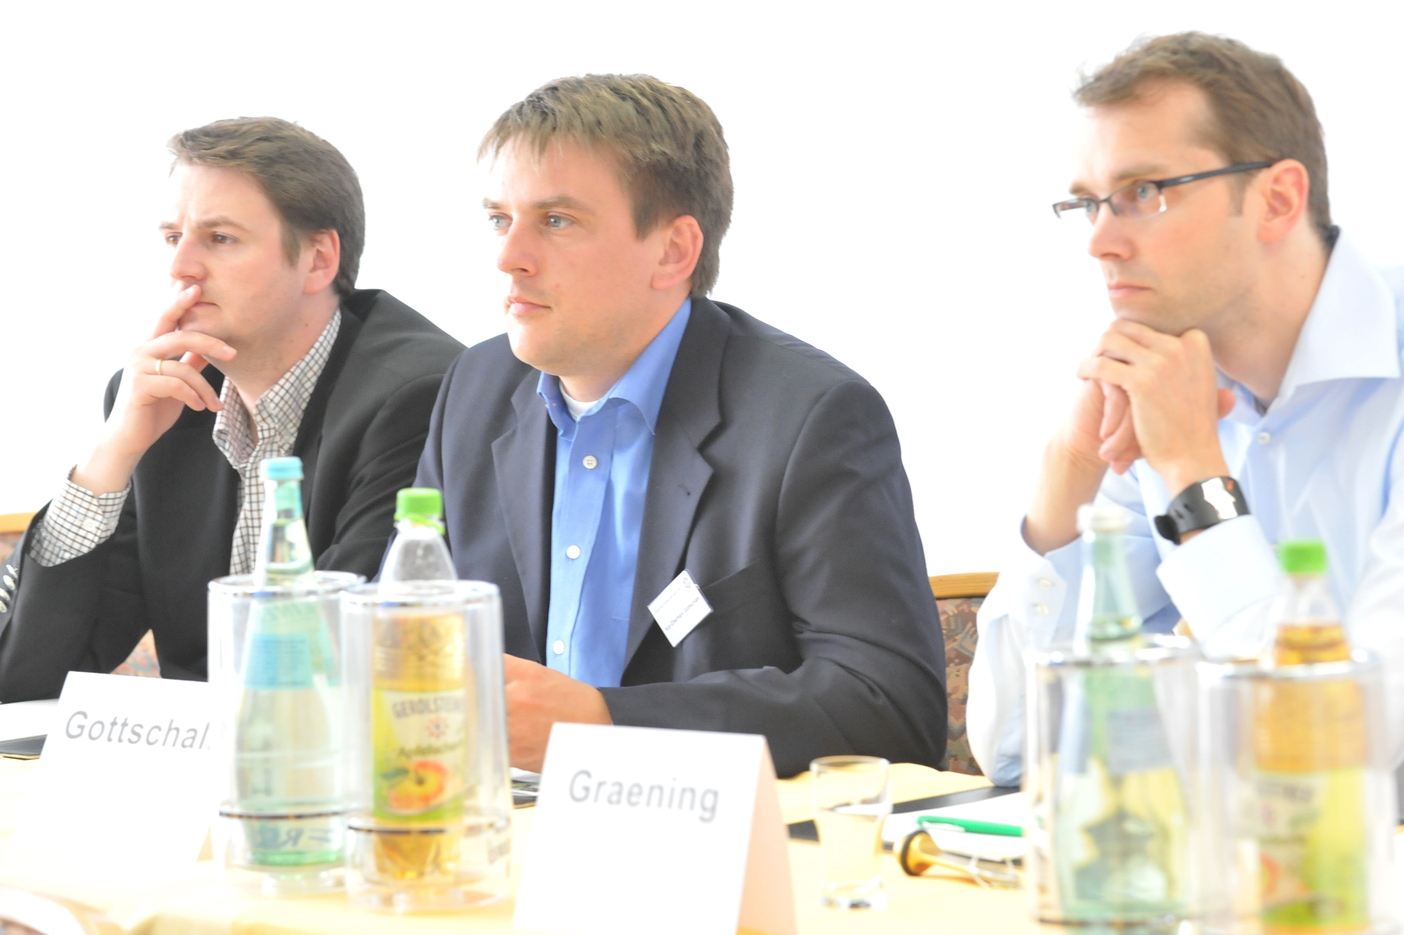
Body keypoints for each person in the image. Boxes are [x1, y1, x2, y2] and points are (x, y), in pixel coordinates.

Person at [415, 74, 947, 777]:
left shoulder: (808, 417)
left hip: (715, 832)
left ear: (672, 251)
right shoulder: (475, 390)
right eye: (498, 219)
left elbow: (890, 707)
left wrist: (604, 725)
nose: (508, 256)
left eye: (557, 220)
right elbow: (407, 636)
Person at [967, 32, 1404, 786]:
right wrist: (1068, 471)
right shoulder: (1156, 397)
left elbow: (1340, 750)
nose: (1099, 242)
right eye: (1087, 203)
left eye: (1143, 192)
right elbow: (1015, 750)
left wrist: (1195, 482)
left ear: (1277, 199)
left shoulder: (1177, 438)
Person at [0, 117, 463, 700]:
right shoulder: (162, 398)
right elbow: (24, 678)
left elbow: (337, 661)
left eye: (219, 238)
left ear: (318, 260)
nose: (180, 268)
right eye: (173, 237)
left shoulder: (419, 396)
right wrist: (110, 454)